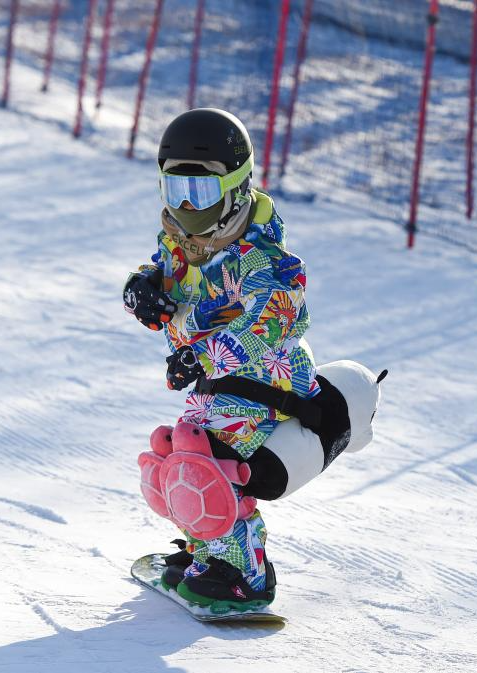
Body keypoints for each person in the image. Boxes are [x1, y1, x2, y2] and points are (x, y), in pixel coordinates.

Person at [124, 108, 322, 611]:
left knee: (206, 460)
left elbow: (273, 321)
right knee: (173, 457)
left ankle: (244, 574)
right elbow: (171, 283)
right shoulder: (183, 243)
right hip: (221, 382)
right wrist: (144, 289)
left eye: (201, 191)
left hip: (271, 382)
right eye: (176, 190)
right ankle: (207, 554)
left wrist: (201, 358)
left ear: (235, 188)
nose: (187, 205)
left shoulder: (267, 261)